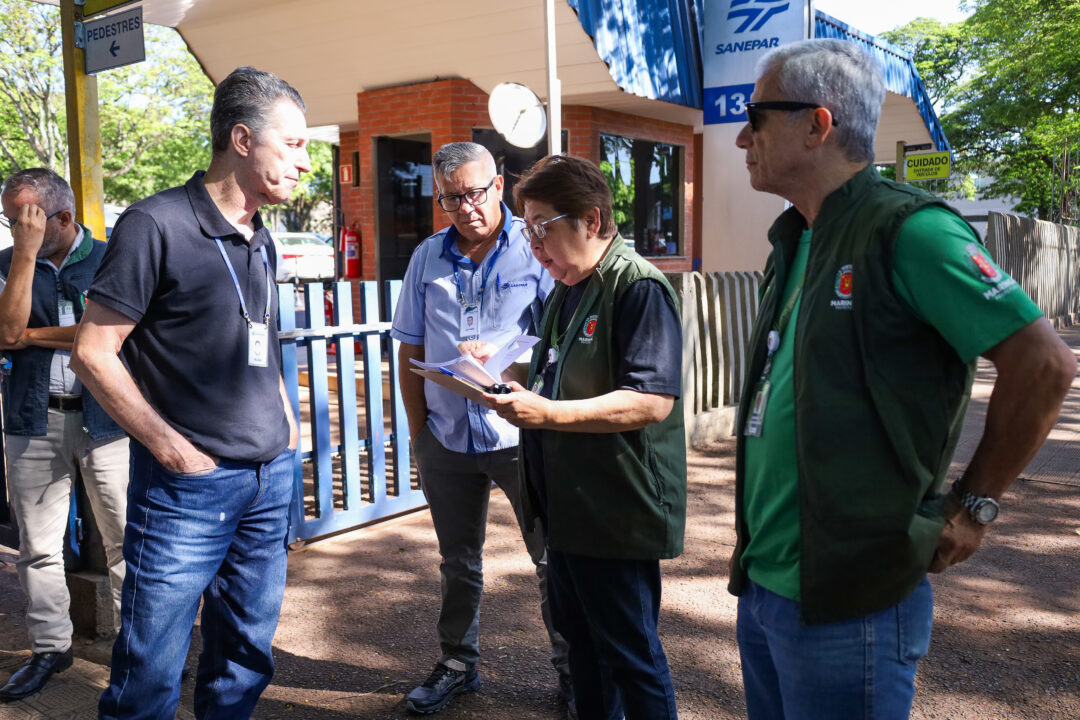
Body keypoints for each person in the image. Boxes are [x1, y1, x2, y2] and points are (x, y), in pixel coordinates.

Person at [728, 39, 1077, 719]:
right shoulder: (796, 239)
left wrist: (975, 504)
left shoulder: (908, 231)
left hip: (851, 601)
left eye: (757, 117)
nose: (743, 136)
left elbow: (1045, 365)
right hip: (767, 588)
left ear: (816, 124)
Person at [70, 66, 306, 719]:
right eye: (293, 144)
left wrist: (287, 430)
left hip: (267, 481)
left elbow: (264, 342)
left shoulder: (261, 234)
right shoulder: (156, 224)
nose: (305, 163)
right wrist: (170, 448)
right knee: (149, 675)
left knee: (243, 659)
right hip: (187, 491)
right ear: (241, 138)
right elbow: (94, 351)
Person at [480, 154, 686, 720]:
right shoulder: (568, 287)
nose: (535, 246)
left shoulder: (637, 287)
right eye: (528, 231)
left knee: (629, 654)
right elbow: (551, 372)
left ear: (591, 221)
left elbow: (650, 399)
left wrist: (545, 413)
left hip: (615, 509)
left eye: (543, 227)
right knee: (583, 647)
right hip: (568, 507)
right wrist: (501, 375)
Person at [390, 141, 570, 715]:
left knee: (550, 558)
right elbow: (410, 348)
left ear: (498, 185)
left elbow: (559, 341)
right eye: (450, 198)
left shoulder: (536, 246)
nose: (465, 207)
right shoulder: (427, 257)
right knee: (457, 560)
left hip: (522, 435)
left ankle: (571, 670)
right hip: (447, 436)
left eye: (474, 192)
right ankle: (458, 663)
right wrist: (420, 434)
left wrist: (504, 357)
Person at [0, 169, 129, 702]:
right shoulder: (9, 263)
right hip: (33, 418)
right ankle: (51, 647)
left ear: (64, 216)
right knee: (37, 547)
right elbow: (6, 332)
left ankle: (137, 647)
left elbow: (111, 332)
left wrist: (31, 336)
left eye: (27, 218)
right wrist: (26, 254)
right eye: (10, 220)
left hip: (108, 416)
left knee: (127, 537)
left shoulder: (112, 258)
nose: (16, 228)